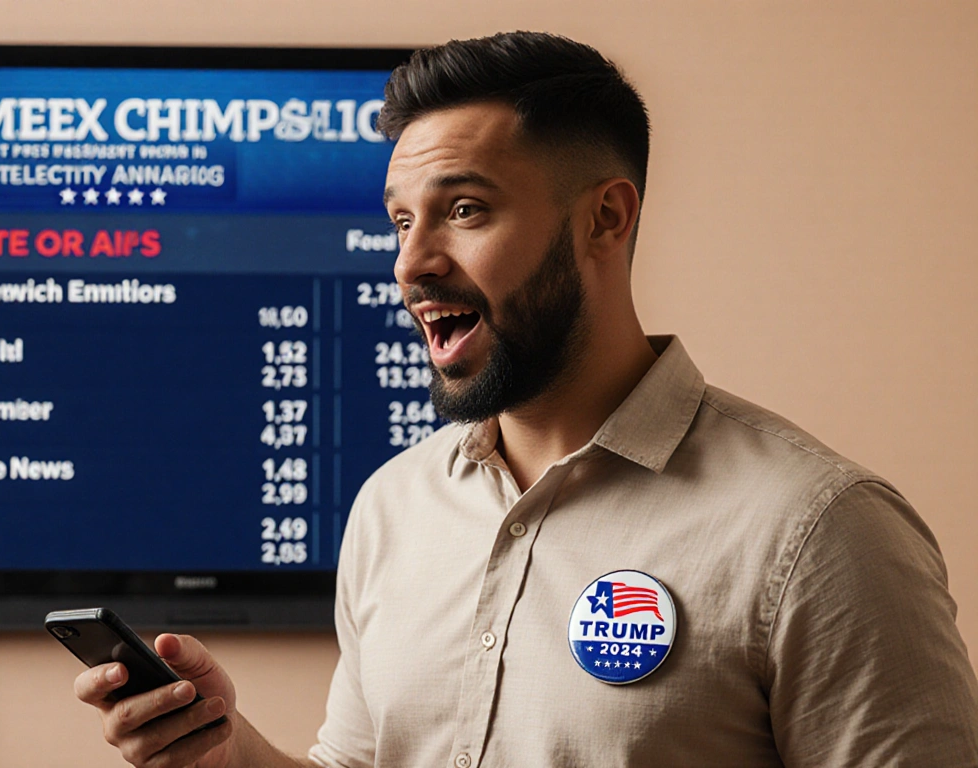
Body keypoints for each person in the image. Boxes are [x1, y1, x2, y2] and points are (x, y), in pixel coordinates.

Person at [73, 31, 978, 767]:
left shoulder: (819, 531)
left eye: (463, 210)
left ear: (606, 219)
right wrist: (224, 752)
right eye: (399, 219)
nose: (410, 262)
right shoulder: (394, 507)